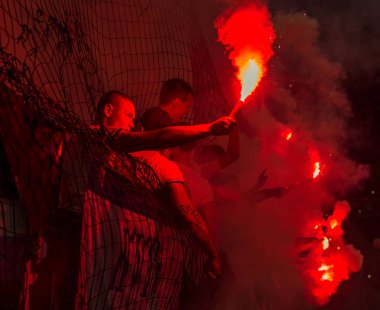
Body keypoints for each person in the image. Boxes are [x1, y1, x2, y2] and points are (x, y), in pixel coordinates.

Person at [76, 90, 234, 309]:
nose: (131, 124)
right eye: (129, 115)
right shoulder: (99, 136)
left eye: (135, 119)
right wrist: (213, 253)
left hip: (109, 262)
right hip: (105, 255)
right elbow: (188, 213)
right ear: (108, 110)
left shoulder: (120, 155)